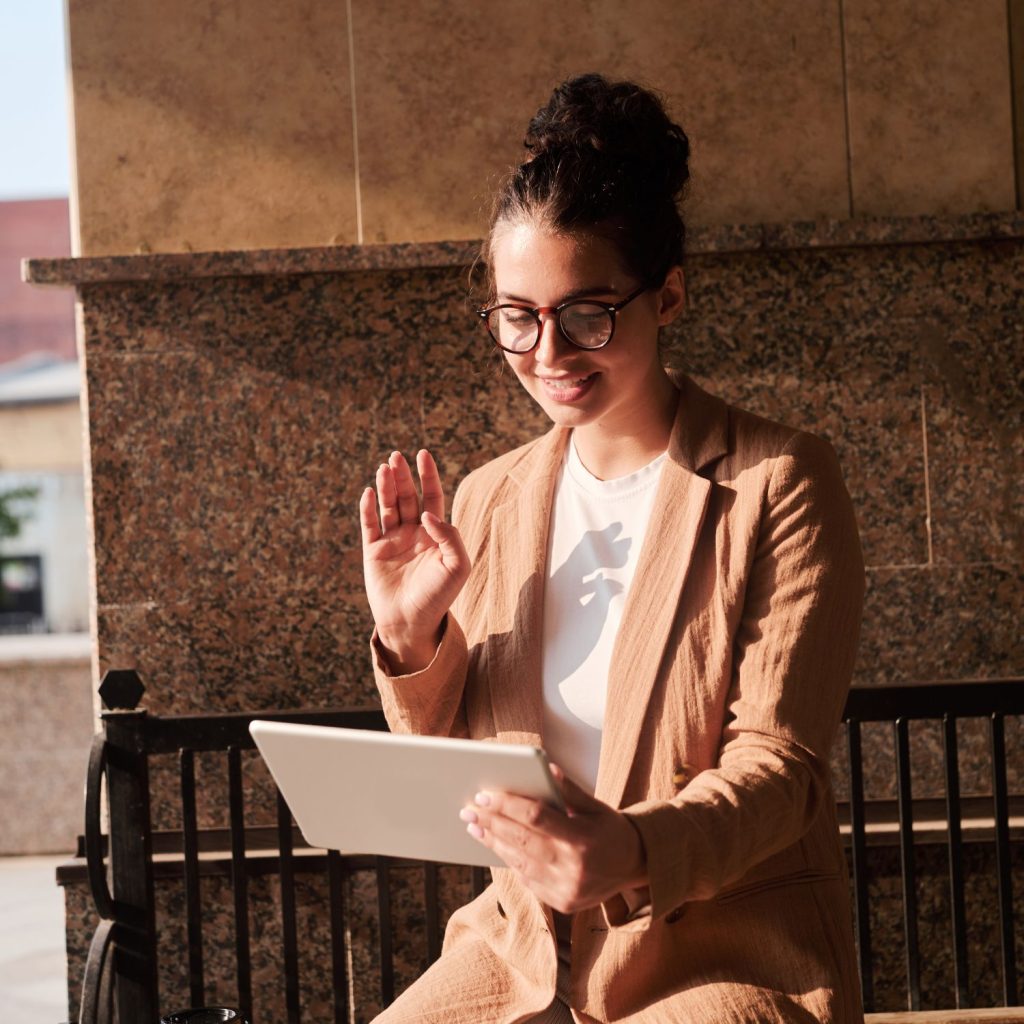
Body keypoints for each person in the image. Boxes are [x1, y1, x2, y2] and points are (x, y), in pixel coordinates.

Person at [359, 73, 865, 1024]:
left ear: (666, 295)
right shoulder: (493, 498)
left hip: (715, 949)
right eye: (517, 316)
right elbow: (454, 777)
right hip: (521, 952)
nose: (547, 352)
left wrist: (629, 852)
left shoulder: (777, 482)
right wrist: (411, 638)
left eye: (586, 313)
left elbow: (780, 770)